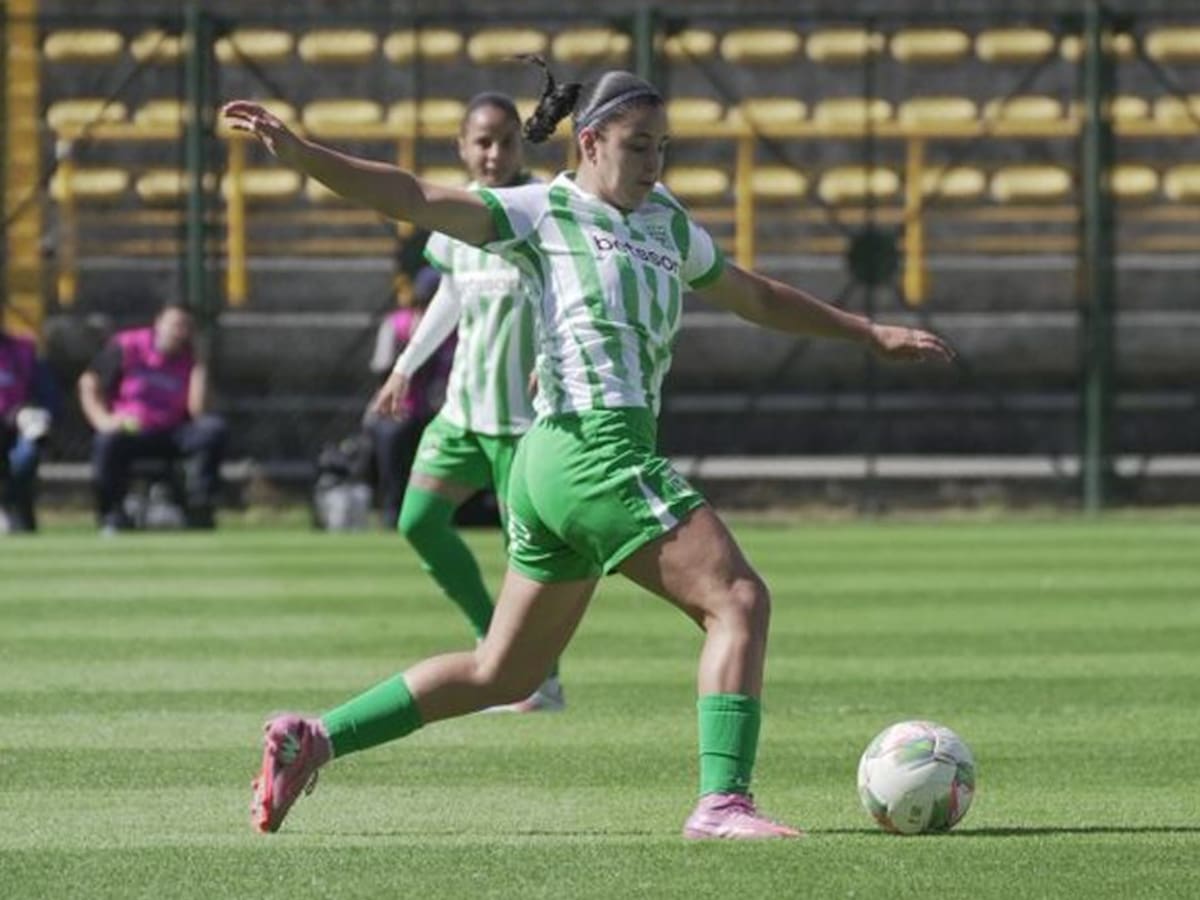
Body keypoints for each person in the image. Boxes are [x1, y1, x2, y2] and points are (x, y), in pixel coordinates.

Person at [224, 60, 954, 840]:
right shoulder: (546, 211)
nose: (653, 163)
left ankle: (316, 739)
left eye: (663, 147)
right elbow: (412, 196)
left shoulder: (668, 223)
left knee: (506, 672)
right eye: (639, 146)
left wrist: (867, 333)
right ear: (591, 141)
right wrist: (304, 156)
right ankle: (722, 804)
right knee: (737, 600)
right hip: (592, 444)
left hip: (550, 463)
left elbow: (755, 295)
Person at [377, 92, 561, 712]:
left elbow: (569, 294)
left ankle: (541, 678)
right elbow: (452, 295)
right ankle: (492, 640)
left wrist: (552, 357)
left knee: (526, 561)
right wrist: (406, 365)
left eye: (506, 140)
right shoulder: (454, 214)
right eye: (482, 141)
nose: (494, 153)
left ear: (521, 145)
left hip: (522, 423)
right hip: (461, 412)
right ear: (461, 147)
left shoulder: (541, 212)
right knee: (417, 523)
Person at [78, 301, 227, 532]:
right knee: (106, 441)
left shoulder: (190, 358)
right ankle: (111, 514)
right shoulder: (128, 345)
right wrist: (102, 421)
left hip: (173, 432)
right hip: (132, 430)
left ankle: (200, 508)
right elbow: (89, 383)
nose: (179, 332)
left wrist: (200, 364)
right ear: (159, 323)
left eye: (186, 327)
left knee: (212, 430)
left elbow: (197, 410)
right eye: (175, 324)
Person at [363, 264, 454, 529]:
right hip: (399, 410)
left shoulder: (455, 329)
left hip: (438, 410)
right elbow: (381, 368)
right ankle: (390, 512)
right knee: (391, 447)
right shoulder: (397, 324)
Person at [0, 325, 58, 533]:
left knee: (28, 452)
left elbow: (49, 396)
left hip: (17, 428)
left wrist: (38, 412)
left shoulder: (23, 350)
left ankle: (15, 511)